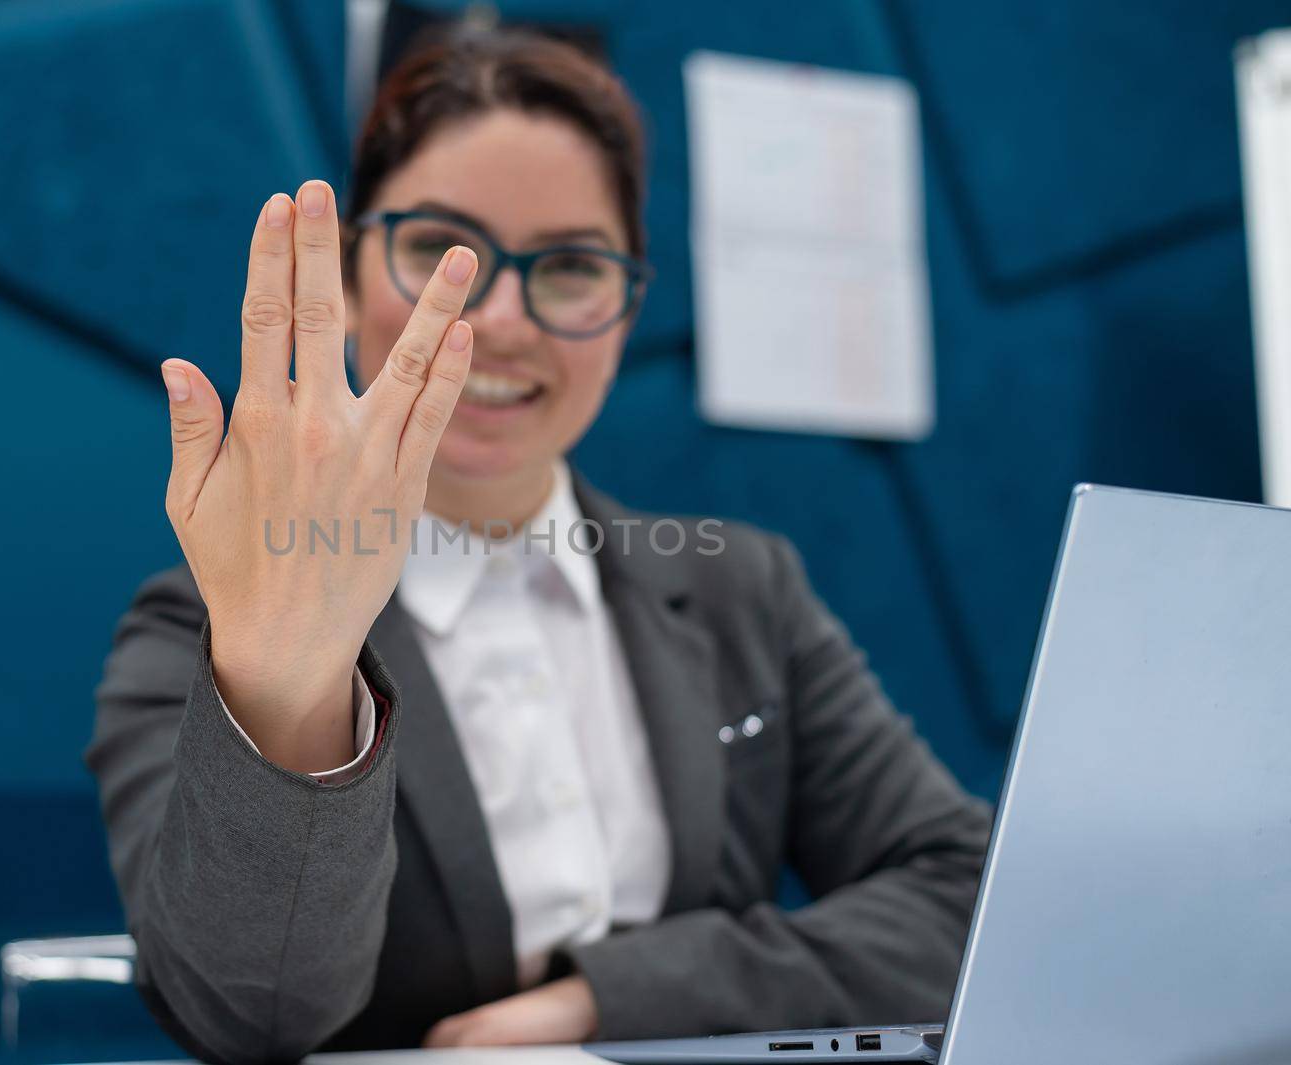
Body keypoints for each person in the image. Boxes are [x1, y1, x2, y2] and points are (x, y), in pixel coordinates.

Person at [87, 25, 990, 1065]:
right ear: (345, 271)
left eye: (569, 266)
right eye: (438, 251)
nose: (500, 320)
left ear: (627, 307)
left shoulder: (740, 588)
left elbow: (959, 892)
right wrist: (295, 670)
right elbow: (246, 1018)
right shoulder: (202, 624)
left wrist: (607, 1003)